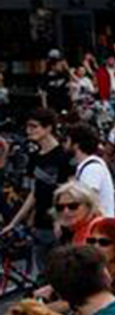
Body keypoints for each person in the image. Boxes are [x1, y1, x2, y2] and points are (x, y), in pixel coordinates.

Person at [1, 109, 72, 268]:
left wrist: (60, 219)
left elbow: (68, 191)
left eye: (34, 126)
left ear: (48, 128)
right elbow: (34, 193)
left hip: (59, 226)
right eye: (28, 127)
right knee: (41, 273)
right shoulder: (35, 157)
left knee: (59, 272)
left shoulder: (63, 156)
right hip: (40, 224)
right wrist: (15, 222)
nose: (29, 131)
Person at [65, 123, 114, 219]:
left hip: (98, 227)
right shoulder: (86, 166)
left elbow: (89, 200)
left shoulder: (92, 169)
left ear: (76, 144)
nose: (65, 144)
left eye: (67, 140)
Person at [52, 181, 102, 247]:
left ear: (88, 206)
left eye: (73, 206)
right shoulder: (71, 230)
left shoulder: (98, 231)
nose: (66, 211)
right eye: (60, 207)